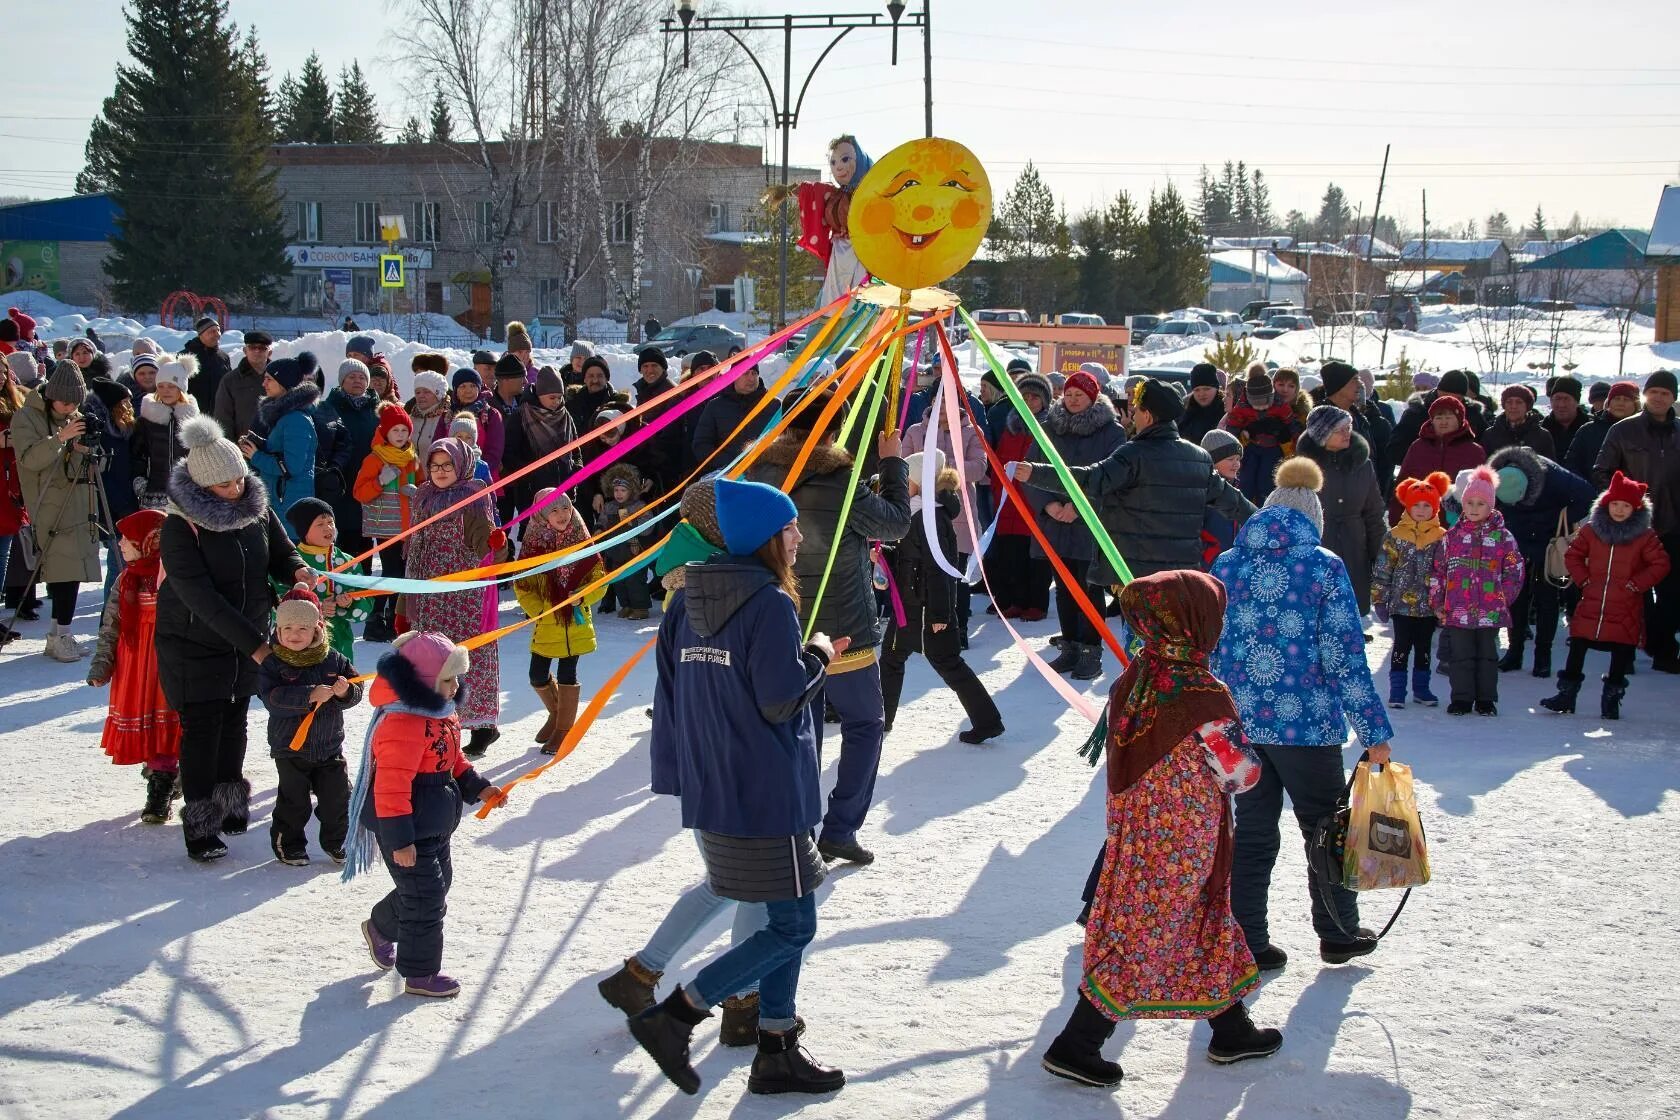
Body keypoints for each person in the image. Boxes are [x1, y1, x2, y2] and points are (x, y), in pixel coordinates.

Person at [631, 477, 846, 1098]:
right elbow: (780, 700)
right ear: (763, 539)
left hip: (716, 786)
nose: (799, 536)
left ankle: (776, 1044)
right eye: (789, 527)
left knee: (784, 912)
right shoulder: (769, 603)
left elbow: (676, 691)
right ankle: (677, 1015)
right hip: (765, 792)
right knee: (794, 925)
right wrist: (820, 656)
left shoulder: (688, 598)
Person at [1040, 570, 1278, 1090]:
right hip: (1183, 841)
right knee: (1148, 932)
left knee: (1200, 923)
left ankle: (1231, 1029)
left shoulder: (1137, 678)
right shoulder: (1200, 693)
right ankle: (1077, 1043)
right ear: (1195, 622)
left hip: (1137, 831)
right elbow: (1239, 773)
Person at [1211, 457, 1395, 970]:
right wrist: (1373, 731)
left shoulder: (1226, 565)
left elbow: (1209, 644)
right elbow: (1342, 657)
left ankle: (1248, 938)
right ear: (1313, 519)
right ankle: (1337, 933)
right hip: (1305, 724)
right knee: (1324, 828)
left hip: (1239, 724)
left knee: (1251, 830)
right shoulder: (1323, 566)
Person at [746, 389, 910, 866]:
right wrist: (894, 464)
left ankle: (799, 829)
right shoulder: (842, 477)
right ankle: (839, 828)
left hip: (783, 620)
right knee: (864, 724)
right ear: (835, 428)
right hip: (845, 629)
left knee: (803, 726)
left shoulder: (760, 472)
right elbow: (896, 524)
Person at [156, 415, 311, 861]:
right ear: (203, 488)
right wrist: (259, 646)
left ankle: (230, 802)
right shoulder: (180, 527)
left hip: (247, 636)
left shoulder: (255, 507)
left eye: (239, 479)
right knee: (203, 729)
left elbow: (281, 552)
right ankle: (200, 822)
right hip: (193, 642)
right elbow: (202, 600)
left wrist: (298, 570)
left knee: (236, 721)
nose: (236, 490)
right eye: (224, 486)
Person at [347, 631, 503, 998]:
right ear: (421, 681)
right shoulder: (402, 724)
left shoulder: (440, 712)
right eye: (447, 679)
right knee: (425, 897)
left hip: (432, 822)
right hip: (405, 826)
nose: (456, 686)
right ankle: (419, 974)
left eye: (455, 678)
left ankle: (381, 928)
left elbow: (453, 759)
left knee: (432, 887)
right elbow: (391, 786)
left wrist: (478, 786)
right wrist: (400, 840)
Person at [1011, 377, 1255, 582]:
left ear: (1148, 416)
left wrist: (1036, 473)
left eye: (1136, 409)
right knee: (1172, 636)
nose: (1133, 415)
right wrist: (1269, 522)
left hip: (1138, 573)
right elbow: (1234, 503)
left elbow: (1092, 479)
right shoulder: (1199, 457)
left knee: (1141, 638)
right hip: (1182, 573)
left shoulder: (1134, 454)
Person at [880, 450, 1004, 743]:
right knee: (893, 659)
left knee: (945, 661)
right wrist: (886, 555)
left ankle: (987, 721)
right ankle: (882, 719)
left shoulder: (930, 516)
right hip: (911, 602)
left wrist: (940, 615)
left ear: (920, 481)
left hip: (924, 607)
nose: (902, 484)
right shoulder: (918, 511)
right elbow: (912, 558)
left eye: (905, 479)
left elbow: (939, 570)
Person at [399, 437, 510, 758]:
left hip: (465, 598)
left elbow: (487, 546)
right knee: (435, 657)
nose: (441, 471)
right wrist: (405, 603)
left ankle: (483, 726)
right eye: (435, 466)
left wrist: (495, 541)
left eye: (447, 465)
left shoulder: (473, 499)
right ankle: (441, 718)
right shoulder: (423, 498)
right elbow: (414, 550)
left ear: (460, 465)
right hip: (430, 592)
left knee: (469, 657)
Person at [1542, 471, 1673, 719]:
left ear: (1635, 509)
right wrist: (1584, 579)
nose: (1619, 510)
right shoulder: (1592, 530)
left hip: (1625, 605)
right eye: (1615, 504)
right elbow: (1573, 555)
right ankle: (1566, 695)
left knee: (1621, 653)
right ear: (1606, 504)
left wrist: (1637, 584)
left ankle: (1611, 699)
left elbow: (1661, 564)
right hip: (1592, 601)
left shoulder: (1644, 536)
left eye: (1625, 506)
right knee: (1578, 646)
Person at [1025, 368, 1125, 679]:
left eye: (1078, 395)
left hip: (1089, 523)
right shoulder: (1048, 427)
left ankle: (1090, 650)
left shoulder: (1112, 432)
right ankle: (1069, 646)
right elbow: (1030, 470)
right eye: (1068, 394)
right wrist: (1049, 505)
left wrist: (1078, 509)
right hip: (1055, 521)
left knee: (1090, 587)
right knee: (1064, 588)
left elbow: (1114, 477)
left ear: (1093, 397)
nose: (1072, 400)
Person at [87, 509, 181, 823]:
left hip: (167, 663)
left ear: (150, 541)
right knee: (151, 727)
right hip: (136, 666)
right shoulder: (127, 578)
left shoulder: (174, 575)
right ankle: (161, 780)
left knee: (169, 727)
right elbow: (110, 624)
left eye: (128, 539)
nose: (122, 545)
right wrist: (102, 664)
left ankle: (164, 783)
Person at [257, 584, 362, 866]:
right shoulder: (272, 663)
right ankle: (289, 844)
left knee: (337, 800)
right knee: (294, 802)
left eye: (302, 629)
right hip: (290, 748)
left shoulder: (334, 659)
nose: (294, 635)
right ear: (278, 631)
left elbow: (356, 688)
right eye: (287, 628)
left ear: (316, 629)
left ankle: (337, 841)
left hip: (329, 746)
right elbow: (272, 699)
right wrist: (308, 695)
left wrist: (345, 692)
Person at [10, 360, 104, 661]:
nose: (69, 408)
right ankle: (59, 635)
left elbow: (93, 466)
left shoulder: (75, 416)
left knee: (72, 572)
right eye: (65, 401)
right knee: (62, 570)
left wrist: (88, 449)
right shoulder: (27, 417)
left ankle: (61, 633)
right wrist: (61, 439)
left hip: (78, 502)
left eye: (75, 402)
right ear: (51, 395)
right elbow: (29, 459)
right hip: (48, 503)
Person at [1592, 370, 1680, 672]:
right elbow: (1602, 471)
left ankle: (1664, 650)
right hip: (1632, 524)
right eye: (1653, 391)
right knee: (1630, 591)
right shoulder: (1623, 430)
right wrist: (1621, 504)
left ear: (1674, 398)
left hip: (1674, 524)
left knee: (1672, 591)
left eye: (1665, 394)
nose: (1658, 398)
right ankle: (1624, 653)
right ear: (1645, 395)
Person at [1488, 446, 1595, 676]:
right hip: (1514, 537)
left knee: (1547, 596)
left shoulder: (1552, 474)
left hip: (1548, 540)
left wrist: (1556, 518)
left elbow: (1588, 495)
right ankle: (1514, 652)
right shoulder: (1493, 474)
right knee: (1515, 596)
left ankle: (1542, 656)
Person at [514, 488, 605, 754]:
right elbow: (523, 586)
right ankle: (557, 715)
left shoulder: (581, 540)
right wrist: (540, 610)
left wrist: (582, 597)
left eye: (565, 508)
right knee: (537, 675)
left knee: (568, 673)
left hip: (575, 624)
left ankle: (564, 729)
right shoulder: (533, 547)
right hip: (547, 624)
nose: (562, 514)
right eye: (553, 509)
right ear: (541, 515)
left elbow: (599, 580)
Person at [1430, 465, 1525, 715]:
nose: (1473, 508)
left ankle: (1486, 699)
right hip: (1457, 608)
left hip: (1489, 609)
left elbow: (1514, 570)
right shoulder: (1452, 537)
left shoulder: (1503, 537)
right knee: (1460, 657)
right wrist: (1438, 602)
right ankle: (1461, 698)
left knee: (1487, 656)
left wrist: (1503, 597)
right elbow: (1439, 571)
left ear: (1491, 506)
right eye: (1469, 502)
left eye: (1480, 504)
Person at [1295, 405, 1387, 616]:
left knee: (1350, 607)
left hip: (1355, 545)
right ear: (1322, 435)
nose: (1348, 433)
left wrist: (1380, 554)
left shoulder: (1363, 465)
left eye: (1349, 427)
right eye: (1340, 430)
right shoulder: (1302, 468)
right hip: (1317, 548)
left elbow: (1374, 512)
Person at [1372, 472, 1452, 708]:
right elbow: (1383, 569)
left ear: (1435, 507)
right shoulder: (1395, 536)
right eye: (1416, 504)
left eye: (1427, 505)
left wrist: (1445, 604)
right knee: (1401, 647)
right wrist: (1380, 599)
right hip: (1401, 605)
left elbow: (1447, 572)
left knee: (1424, 648)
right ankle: (1397, 690)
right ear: (1407, 504)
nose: (1420, 509)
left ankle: (1422, 688)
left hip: (1429, 606)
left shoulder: (1442, 537)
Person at [984, 372, 1052, 621]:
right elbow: (999, 461)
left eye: (1035, 397)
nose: (1030, 401)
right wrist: (998, 488)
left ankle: (1037, 603)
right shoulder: (1011, 428)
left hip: (1034, 504)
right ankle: (1014, 599)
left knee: (1035, 556)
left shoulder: (1049, 428)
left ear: (1045, 400)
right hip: (1008, 502)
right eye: (1025, 396)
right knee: (1011, 554)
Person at [353, 403, 419, 644]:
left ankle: (393, 616)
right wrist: (380, 481)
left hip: (407, 527)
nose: (400, 436)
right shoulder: (375, 458)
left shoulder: (412, 458)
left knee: (401, 573)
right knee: (391, 572)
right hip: (384, 526)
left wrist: (418, 492)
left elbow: (421, 485)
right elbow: (359, 492)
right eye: (395, 431)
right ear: (385, 433)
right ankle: (376, 617)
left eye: (404, 431)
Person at [279, 497, 367, 662]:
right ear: (304, 531)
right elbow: (279, 603)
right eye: (320, 524)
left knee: (340, 683)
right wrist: (317, 608)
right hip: (300, 646)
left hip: (340, 643)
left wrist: (349, 603)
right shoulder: (292, 564)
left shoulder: (348, 562)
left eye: (331, 522)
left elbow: (365, 599)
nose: (328, 528)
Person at [240, 352, 322, 530]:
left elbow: (291, 467)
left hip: (289, 505)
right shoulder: (287, 416)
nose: (264, 384)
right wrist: (259, 444)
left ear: (284, 383)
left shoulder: (295, 420)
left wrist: (256, 456)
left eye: (269, 379)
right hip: (283, 500)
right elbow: (283, 451)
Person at [317, 358, 380, 560]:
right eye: (352, 376)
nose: (357, 381)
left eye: (362, 377)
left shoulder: (376, 409)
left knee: (366, 538)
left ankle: (364, 586)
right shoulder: (329, 408)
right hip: (341, 481)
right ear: (342, 380)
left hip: (371, 482)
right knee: (343, 538)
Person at [503, 365, 581, 519]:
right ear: (539, 394)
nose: (556, 402)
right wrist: (532, 476)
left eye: (560, 397)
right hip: (532, 494)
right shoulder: (521, 416)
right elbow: (509, 454)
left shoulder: (565, 415)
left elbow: (576, 449)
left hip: (565, 491)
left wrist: (576, 470)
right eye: (552, 397)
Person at [1392, 394, 1487, 522]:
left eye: (1449, 417)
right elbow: (1402, 483)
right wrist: (1396, 519)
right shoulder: (1418, 447)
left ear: (1459, 420)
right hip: (1420, 523)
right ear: (1432, 420)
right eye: (1439, 417)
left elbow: (1484, 492)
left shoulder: (1474, 452)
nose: (1443, 422)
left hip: (1459, 528)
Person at [130, 354, 201, 510]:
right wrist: (140, 482)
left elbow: (200, 457)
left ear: (181, 388)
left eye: (171, 386)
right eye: (161, 386)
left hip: (186, 493)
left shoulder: (194, 423)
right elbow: (137, 455)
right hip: (153, 493)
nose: (165, 391)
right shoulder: (146, 420)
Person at [1222, 366, 1303, 504]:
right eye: (1281, 384)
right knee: (1246, 479)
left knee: (1266, 481)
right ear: (1273, 385)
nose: (1285, 390)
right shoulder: (1243, 406)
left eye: (1291, 385)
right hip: (1252, 448)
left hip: (1279, 455)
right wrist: (1241, 435)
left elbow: (1296, 430)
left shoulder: (1290, 410)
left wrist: (1292, 440)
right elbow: (1234, 426)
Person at [1387, 368, 1490, 466]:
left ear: (1462, 398)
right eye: (1444, 396)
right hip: (1422, 477)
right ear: (1437, 391)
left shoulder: (1472, 414)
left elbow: (1487, 448)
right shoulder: (1417, 412)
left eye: (1455, 399)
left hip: (1460, 478)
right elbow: (1394, 450)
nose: (1448, 402)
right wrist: (1426, 456)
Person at [691, 361, 770, 465]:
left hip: (765, 472)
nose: (751, 379)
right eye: (745, 373)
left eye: (754, 373)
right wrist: (727, 464)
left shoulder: (773, 404)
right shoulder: (715, 406)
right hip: (724, 472)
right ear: (734, 376)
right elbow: (701, 444)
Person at [598, 468, 652, 619]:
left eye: (623, 490)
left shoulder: (639, 506)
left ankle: (640, 608)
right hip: (616, 551)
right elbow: (602, 521)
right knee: (619, 580)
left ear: (632, 490)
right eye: (616, 490)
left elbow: (648, 526)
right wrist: (599, 529)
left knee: (635, 580)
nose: (619, 493)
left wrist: (631, 521)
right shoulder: (610, 507)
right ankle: (626, 605)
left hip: (634, 550)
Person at [1565, 380, 1638, 482]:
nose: (1621, 403)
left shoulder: (1643, 432)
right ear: (1608, 402)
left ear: (1635, 404)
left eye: (1626, 399)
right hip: (1591, 493)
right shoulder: (1587, 430)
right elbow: (1572, 464)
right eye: (1617, 398)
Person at [213, 330, 272, 440]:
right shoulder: (230, 380)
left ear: (269, 352)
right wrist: (229, 448)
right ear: (245, 350)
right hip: (242, 447)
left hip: (274, 447)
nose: (257, 351)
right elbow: (223, 417)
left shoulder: (279, 378)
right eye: (252, 347)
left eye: (262, 348)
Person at [448, 368, 505, 479]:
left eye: (473, 386)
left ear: (479, 388)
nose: (468, 390)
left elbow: (494, 453)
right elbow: (439, 444)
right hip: (450, 479)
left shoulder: (490, 415)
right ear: (455, 390)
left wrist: (476, 473)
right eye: (462, 386)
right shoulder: (447, 416)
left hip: (482, 479)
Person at [1482, 385, 1556, 460]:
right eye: (1509, 402)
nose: (1513, 406)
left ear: (1527, 406)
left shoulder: (1542, 436)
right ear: (1504, 405)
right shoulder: (1490, 435)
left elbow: (1550, 468)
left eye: (1519, 402)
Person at [566, 354, 623, 437]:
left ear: (607, 378)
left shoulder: (618, 404)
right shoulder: (572, 403)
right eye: (591, 376)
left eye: (600, 376)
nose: (595, 380)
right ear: (584, 379)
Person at [183, 316, 231, 415]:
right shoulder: (185, 356)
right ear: (201, 334)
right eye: (212, 332)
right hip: (191, 413)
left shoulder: (223, 357)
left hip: (218, 413)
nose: (217, 334)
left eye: (218, 330)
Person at [405, 355, 452, 454]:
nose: (421, 396)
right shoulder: (410, 416)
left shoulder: (448, 419)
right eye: (417, 392)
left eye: (426, 392)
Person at [1543, 376, 1589, 462]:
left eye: (1566, 399)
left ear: (1577, 402)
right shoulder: (1541, 429)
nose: (1561, 405)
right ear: (1551, 401)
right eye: (1557, 399)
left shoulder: (1590, 429)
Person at [1179, 362, 1226, 445]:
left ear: (1216, 388)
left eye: (1206, 389)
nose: (1201, 394)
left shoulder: (1225, 412)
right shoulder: (1185, 411)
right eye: (1197, 390)